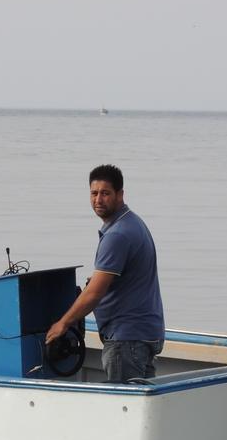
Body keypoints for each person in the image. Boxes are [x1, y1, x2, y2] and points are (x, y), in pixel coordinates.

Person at [45, 164, 165, 383]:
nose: (98, 199)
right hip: (146, 333)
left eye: (105, 193)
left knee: (124, 408)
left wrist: (63, 324)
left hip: (126, 339)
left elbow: (94, 294)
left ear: (120, 194)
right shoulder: (133, 223)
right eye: (94, 193)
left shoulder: (117, 235)